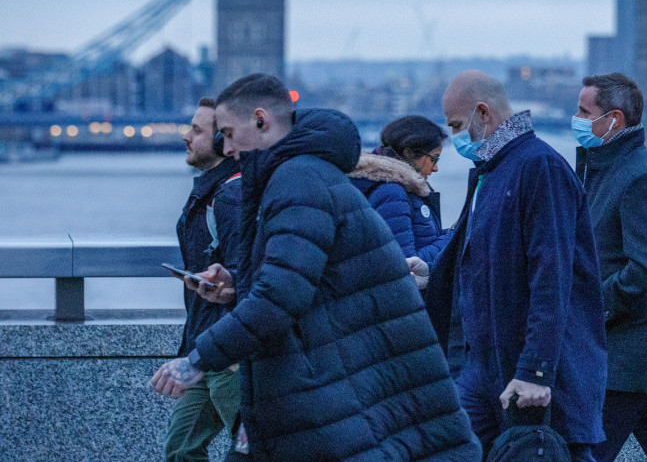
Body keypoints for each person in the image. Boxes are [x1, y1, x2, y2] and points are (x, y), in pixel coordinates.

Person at [151, 74, 480, 461]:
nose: (227, 147)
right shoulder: (300, 175)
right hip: (335, 376)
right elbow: (311, 275)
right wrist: (237, 284)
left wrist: (198, 359)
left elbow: (281, 295)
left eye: (228, 132)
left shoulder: (298, 180)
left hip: (330, 382)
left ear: (261, 121)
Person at [424, 70, 607, 461]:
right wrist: (432, 271)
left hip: (533, 374)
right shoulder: (491, 171)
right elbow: (477, 252)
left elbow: (552, 278)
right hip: (484, 367)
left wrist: (536, 371)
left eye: (457, 125)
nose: (454, 136)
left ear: (483, 113)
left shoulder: (539, 168)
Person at [572, 73, 647, 462]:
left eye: (583, 111)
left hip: (628, 355)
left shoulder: (640, 176)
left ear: (615, 119)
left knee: (585, 451)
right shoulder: (604, 169)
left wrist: (593, 305)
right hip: (635, 355)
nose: (575, 118)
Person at [164, 97, 243, 462]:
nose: (186, 137)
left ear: (221, 142)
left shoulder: (231, 195)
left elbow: (250, 273)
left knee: (253, 449)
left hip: (230, 355)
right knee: (181, 449)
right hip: (203, 349)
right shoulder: (209, 190)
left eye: (197, 130)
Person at [349, 115, 451, 267]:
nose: (435, 168)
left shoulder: (397, 188)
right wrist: (453, 237)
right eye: (434, 159)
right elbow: (406, 265)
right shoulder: (392, 193)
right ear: (409, 153)